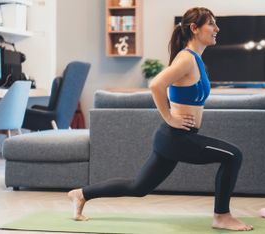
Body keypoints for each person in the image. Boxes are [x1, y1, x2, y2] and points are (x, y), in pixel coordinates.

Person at [68, 7, 253, 231]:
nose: (217, 29)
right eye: (211, 24)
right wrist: (169, 117)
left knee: (138, 187)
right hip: (176, 137)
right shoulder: (186, 59)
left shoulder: (195, 59)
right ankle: (222, 216)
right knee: (233, 155)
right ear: (194, 28)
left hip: (174, 138)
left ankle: (81, 194)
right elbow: (156, 84)